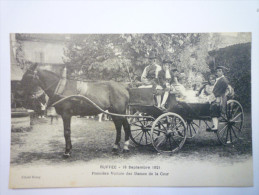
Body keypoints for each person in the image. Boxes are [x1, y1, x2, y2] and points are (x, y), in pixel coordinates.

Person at [210, 66, 229, 131]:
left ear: (223, 72)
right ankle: (214, 124)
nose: (218, 72)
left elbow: (220, 91)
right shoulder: (218, 79)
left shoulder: (223, 80)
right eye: (217, 71)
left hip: (220, 97)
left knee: (214, 106)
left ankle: (215, 126)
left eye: (220, 71)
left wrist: (213, 95)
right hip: (216, 96)